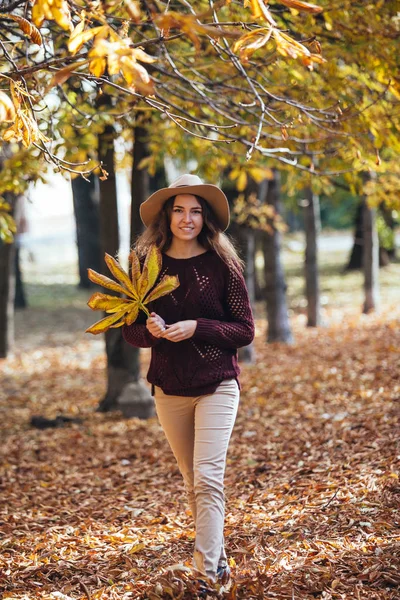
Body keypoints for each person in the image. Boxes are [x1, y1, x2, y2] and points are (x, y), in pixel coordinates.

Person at [122, 173, 255, 590]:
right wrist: (153, 331)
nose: (187, 218)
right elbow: (131, 329)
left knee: (208, 477)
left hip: (217, 384)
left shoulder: (223, 265)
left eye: (195, 211)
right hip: (168, 385)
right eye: (179, 210)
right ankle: (218, 560)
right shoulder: (145, 265)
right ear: (166, 215)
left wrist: (198, 326)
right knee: (192, 481)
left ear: (206, 217)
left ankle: (206, 573)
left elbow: (244, 330)